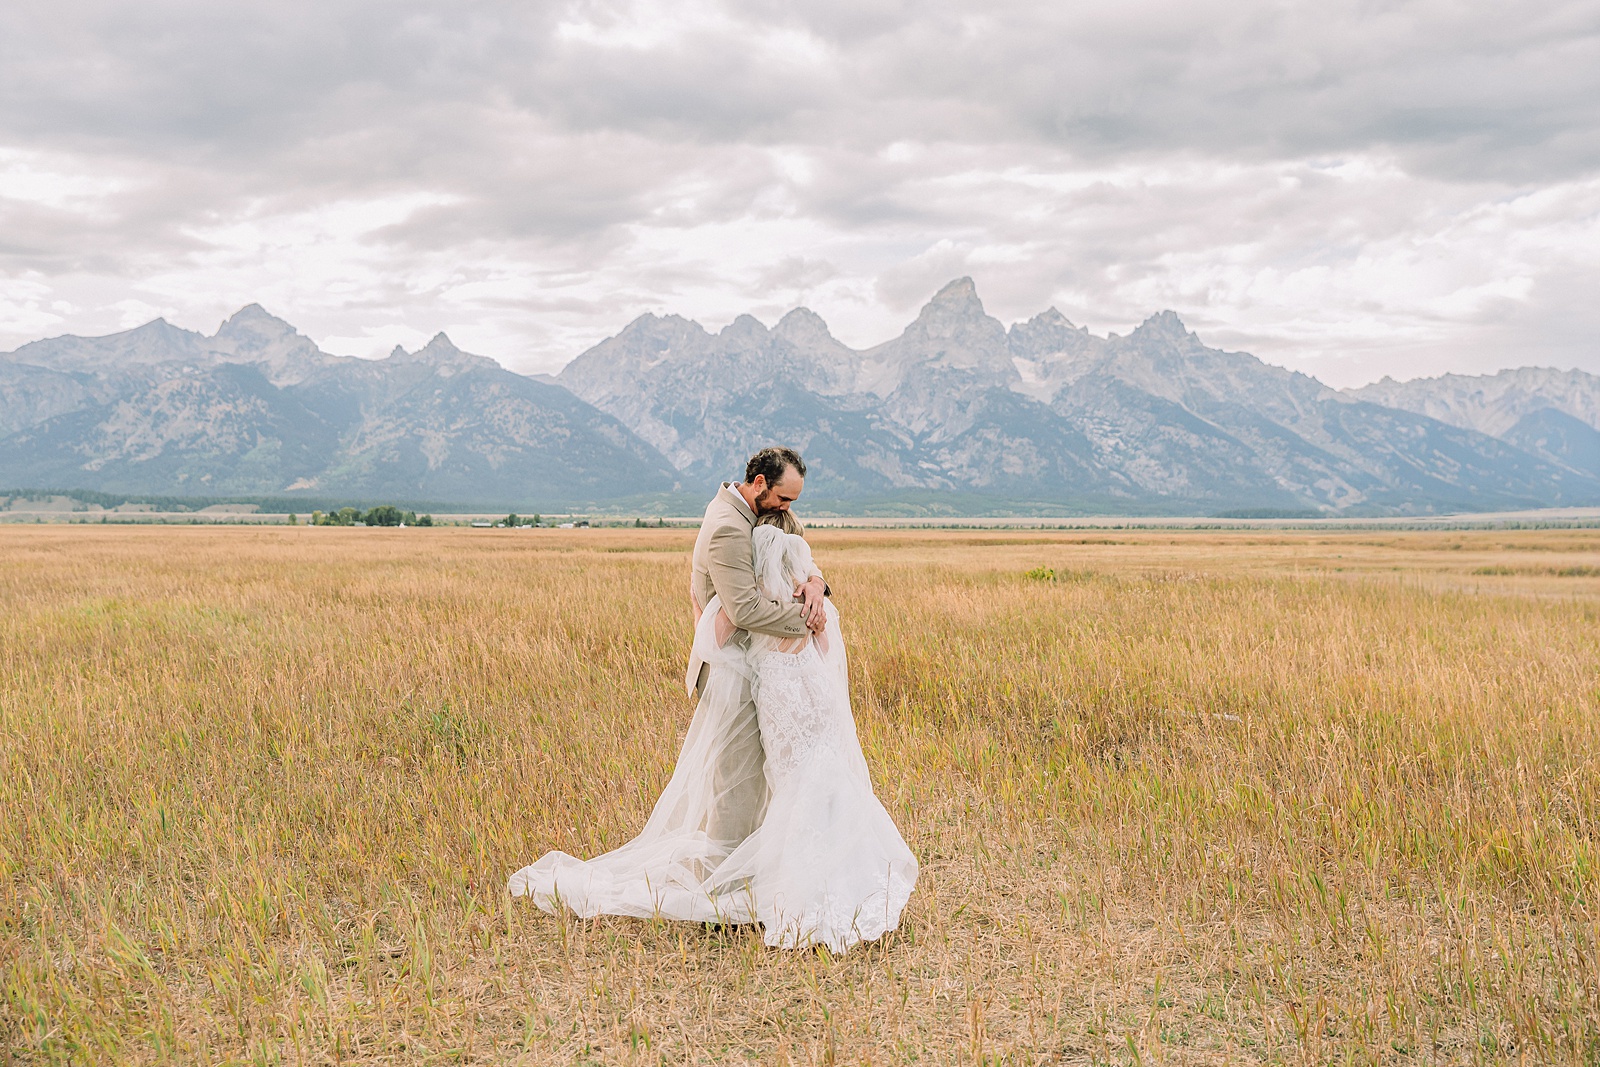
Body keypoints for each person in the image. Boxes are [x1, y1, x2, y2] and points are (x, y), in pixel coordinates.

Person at [507, 447, 917, 952]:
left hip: (769, 669)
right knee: (737, 786)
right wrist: (811, 622)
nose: (790, 509)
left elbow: (800, 552)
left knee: (772, 781)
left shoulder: (772, 513)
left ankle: (757, 881)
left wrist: (816, 586)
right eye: (784, 498)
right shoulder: (726, 524)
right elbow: (743, 608)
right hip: (733, 672)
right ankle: (720, 902)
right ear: (759, 482)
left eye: (794, 501)